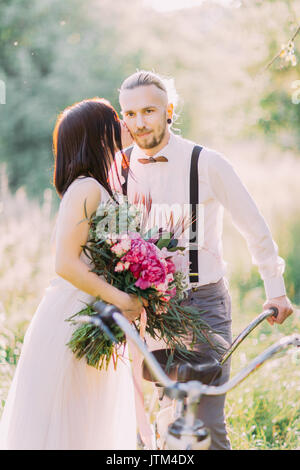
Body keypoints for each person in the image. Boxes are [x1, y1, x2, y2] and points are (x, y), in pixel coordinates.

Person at [109, 71, 294, 450]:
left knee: (207, 427)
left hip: (204, 303)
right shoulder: (118, 168)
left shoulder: (207, 163)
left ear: (169, 111)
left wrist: (276, 290)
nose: (139, 122)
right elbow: (108, 240)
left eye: (149, 110)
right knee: (156, 425)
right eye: (130, 114)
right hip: (146, 311)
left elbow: (254, 228)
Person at [0, 98, 144, 450]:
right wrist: (123, 298)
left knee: (89, 418)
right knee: (72, 420)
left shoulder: (100, 185)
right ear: (97, 134)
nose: (124, 123)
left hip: (95, 313)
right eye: (114, 118)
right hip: (75, 316)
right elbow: (64, 263)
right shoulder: (86, 188)